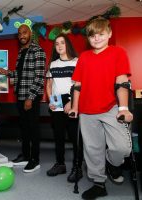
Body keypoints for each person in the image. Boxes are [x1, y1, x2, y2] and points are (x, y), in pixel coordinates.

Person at [69, 17, 133, 199]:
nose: (96, 38)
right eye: (92, 35)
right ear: (88, 38)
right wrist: (74, 106)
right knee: (92, 149)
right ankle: (99, 183)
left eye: (101, 34)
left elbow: (122, 82)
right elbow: (77, 85)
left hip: (111, 107)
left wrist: (123, 108)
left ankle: (113, 164)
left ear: (109, 34)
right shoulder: (84, 57)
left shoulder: (118, 52)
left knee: (122, 148)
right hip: (87, 111)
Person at [0, 23, 46, 173]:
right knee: (23, 129)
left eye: (24, 32)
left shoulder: (38, 51)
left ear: (30, 34)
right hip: (20, 95)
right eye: (19, 34)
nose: (22, 35)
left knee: (33, 129)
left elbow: (39, 77)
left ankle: (35, 159)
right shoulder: (21, 52)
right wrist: (6, 72)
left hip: (31, 97)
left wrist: (30, 98)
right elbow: (19, 74)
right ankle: (25, 155)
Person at [45, 34, 83, 182]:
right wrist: (51, 101)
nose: (59, 46)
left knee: (75, 138)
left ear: (68, 44)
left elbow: (80, 85)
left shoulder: (77, 62)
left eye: (62, 43)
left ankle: (77, 167)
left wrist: (72, 102)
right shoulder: (53, 64)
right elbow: (49, 85)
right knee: (58, 137)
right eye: (56, 44)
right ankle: (60, 164)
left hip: (72, 100)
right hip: (57, 101)